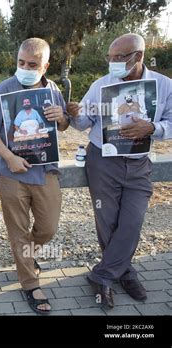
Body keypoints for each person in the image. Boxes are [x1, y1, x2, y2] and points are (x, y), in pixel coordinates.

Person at [67, 33, 172, 309]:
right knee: (108, 221)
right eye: (110, 58)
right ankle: (124, 272)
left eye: (118, 58)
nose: (112, 63)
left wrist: (153, 128)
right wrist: (74, 113)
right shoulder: (101, 85)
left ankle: (102, 275)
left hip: (138, 162)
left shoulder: (163, 86)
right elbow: (83, 123)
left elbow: (171, 122)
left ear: (138, 57)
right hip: (103, 159)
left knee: (133, 220)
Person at [0, 38, 70, 314]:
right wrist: (9, 157)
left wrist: (61, 118)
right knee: (17, 231)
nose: (25, 68)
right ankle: (30, 283)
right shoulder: (4, 89)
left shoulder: (53, 90)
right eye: (21, 63)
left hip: (45, 169)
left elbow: (64, 125)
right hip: (12, 173)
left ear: (45, 66)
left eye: (32, 64)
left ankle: (25, 257)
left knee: (48, 228)